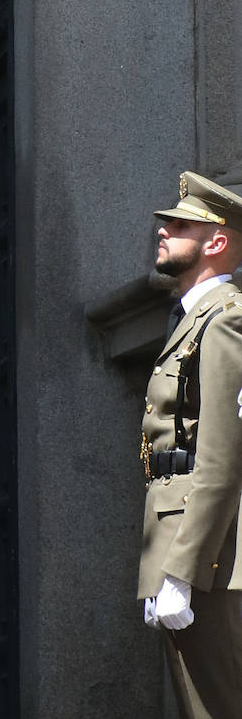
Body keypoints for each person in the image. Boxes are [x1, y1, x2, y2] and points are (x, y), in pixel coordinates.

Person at [138, 171, 242, 718]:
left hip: (208, 559)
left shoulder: (226, 321)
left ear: (216, 242)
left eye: (180, 224)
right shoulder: (192, 319)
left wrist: (182, 569)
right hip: (181, 544)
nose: (164, 231)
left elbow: (221, 458)